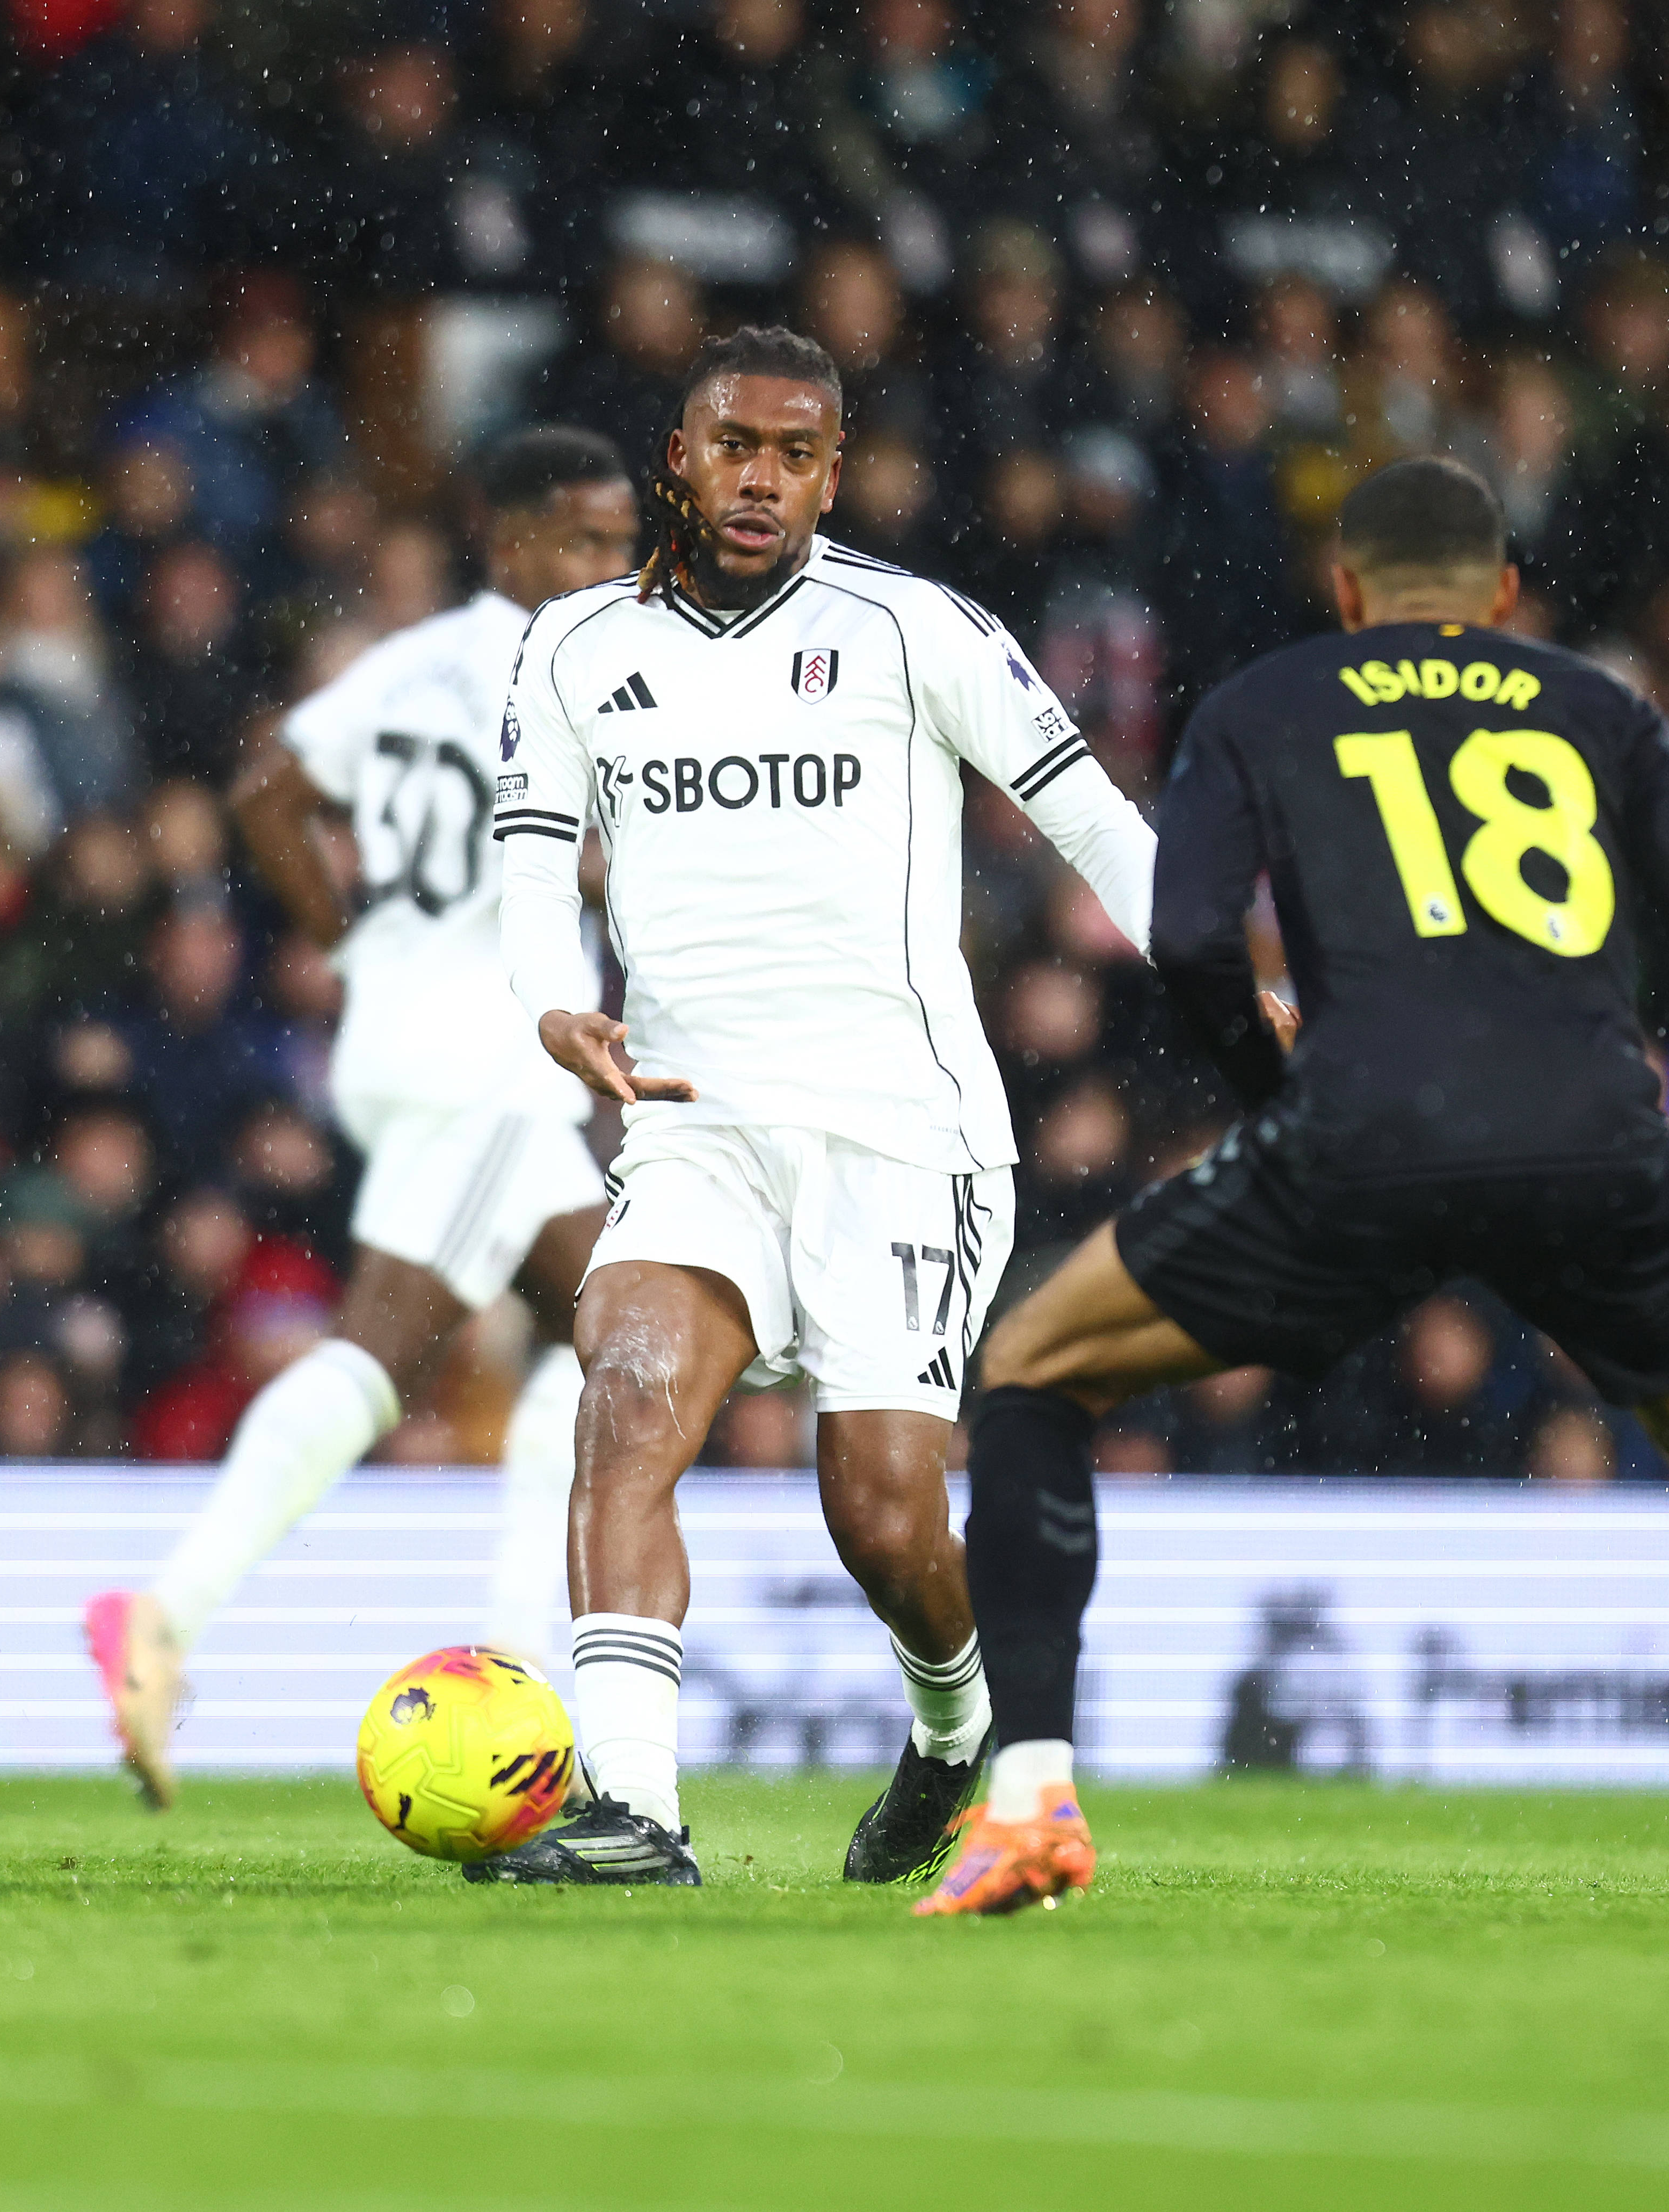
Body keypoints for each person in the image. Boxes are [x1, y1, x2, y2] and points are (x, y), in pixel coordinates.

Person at [921, 457, 1669, 1929]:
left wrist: (1270, 1094)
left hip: (1358, 1132)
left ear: (1343, 590)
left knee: (1029, 1371)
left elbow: (1186, 935)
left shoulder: (1267, 700)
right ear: (1500, 595)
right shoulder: (1598, 710)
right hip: (1590, 1138)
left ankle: (1029, 1802)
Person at [478, 329, 1158, 1884]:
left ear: (831, 473)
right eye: (734, 445)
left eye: (794, 453)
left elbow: (1089, 820)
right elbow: (529, 860)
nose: (760, 477)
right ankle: (634, 1810)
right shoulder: (574, 644)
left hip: (898, 1132)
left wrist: (1213, 971)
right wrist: (550, 1000)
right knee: (629, 1394)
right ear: (679, 452)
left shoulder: (909, 627)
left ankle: (951, 1727)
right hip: (690, 1120)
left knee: (882, 1507)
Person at [84, 425, 637, 1807]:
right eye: (581, 541)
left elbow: (270, 790)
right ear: (506, 538)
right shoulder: (562, 670)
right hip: (489, 1050)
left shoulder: (404, 657)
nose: (609, 566)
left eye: (622, 541)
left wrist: (351, 934)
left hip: (405, 1033)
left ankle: (485, 1668)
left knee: (597, 1338)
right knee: (587, 1332)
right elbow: (593, 855)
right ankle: (490, 1679)